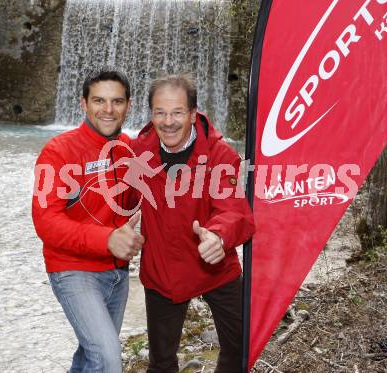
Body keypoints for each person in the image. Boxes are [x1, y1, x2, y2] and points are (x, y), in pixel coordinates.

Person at [131, 74, 256, 373]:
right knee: (161, 363)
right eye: (160, 112)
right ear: (151, 114)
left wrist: (219, 236)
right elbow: (115, 203)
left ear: (192, 113)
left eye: (176, 112)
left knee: (240, 348)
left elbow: (234, 209)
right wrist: (113, 230)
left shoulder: (219, 153)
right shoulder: (137, 153)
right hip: (164, 270)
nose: (168, 121)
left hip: (215, 264)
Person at [32, 67, 144, 373]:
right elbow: (45, 221)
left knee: (89, 355)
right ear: (83, 103)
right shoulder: (57, 152)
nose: (108, 110)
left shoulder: (130, 151)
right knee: (108, 359)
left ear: (128, 105)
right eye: (99, 101)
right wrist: (107, 239)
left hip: (118, 273)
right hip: (73, 271)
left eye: (117, 102)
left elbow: (138, 200)